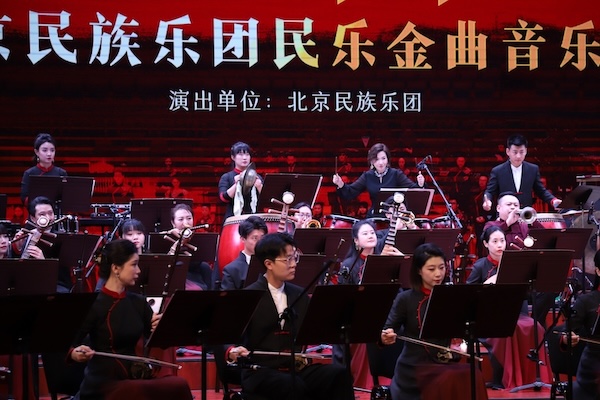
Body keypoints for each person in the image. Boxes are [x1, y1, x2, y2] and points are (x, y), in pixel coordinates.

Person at [225, 233, 354, 400]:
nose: (293, 264)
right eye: (287, 259)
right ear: (269, 264)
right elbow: (222, 335)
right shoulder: (248, 296)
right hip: (260, 371)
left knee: (338, 375)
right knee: (292, 385)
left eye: (295, 258)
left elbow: (317, 326)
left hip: (294, 369)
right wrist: (231, 351)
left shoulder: (299, 294)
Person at [69, 239, 193, 400]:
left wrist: (161, 328)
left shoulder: (138, 302)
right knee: (135, 391)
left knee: (178, 385)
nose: (139, 270)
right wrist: (74, 353)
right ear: (116, 268)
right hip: (102, 383)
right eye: (134, 264)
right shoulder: (94, 304)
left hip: (133, 375)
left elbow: (157, 341)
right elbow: (68, 343)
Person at [380, 243, 488, 400]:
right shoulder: (405, 299)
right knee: (449, 379)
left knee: (473, 374)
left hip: (445, 361)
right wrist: (385, 336)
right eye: (431, 269)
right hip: (414, 367)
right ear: (419, 270)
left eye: (441, 268)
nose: (438, 274)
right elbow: (387, 329)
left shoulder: (453, 296)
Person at [466, 226, 552, 389]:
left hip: (516, 313)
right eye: (495, 241)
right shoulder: (480, 266)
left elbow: (526, 293)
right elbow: (469, 295)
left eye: (502, 241)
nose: (499, 245)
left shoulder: (515, 264)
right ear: (486, 244)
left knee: (536, 328)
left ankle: (531, 377)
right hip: (489, 319)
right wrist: (486, 285)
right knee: (506, 331)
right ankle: (501, 378)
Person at [332, 143, 425, 217]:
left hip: (394, 216)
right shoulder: (367, 176)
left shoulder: (396, 174)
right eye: (376, 159)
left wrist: (420, 184)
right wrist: (340, 184)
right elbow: (350, 192)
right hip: (374, 216)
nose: (380, 162)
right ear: (372, 161)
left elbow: (413, 190)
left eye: (383, 158)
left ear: (388, 159)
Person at [483, 134, 561, 212]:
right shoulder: (498, 171)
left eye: (521, 152)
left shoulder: (533, 169)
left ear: (526, 151)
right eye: (515, 152)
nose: (518, 156)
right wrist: (487, 201)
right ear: (508, 151)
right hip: (505, 214)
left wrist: (553, 200)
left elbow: (541, 191)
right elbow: (490, 191)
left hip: (526, 214)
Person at [562, 249, 600, 400]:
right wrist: (567, 338)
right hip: (595, 366)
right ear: (598, 271)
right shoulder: (586, 301)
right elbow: (566, 332)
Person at [169, 203, 213, 290]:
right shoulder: (169, 236)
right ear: (173, 223)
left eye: (189, 218)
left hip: (195, 273)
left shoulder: (198, 236)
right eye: (180, 219)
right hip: (175, 272)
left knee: (205, 267)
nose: (186, 223)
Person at [218, 142, 264, 220]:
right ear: (233, 157)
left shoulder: (257, 177)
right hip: (233, 219)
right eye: (240, 154)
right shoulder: (227, 177)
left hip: (254, 219)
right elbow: (223, 198)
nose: (244, 158)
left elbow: (266, 201)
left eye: (247, 154)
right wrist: (236, 184)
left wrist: (259, 186)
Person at [220, 215, 268, 290]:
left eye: (262, 238)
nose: (260, 242)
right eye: (254, 238)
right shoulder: (231, 270)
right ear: (243, 239)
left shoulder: (271, 263)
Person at [20, 133, 68, 206]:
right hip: (36, 211)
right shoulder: (29, 173)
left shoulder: (61, 173)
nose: (49, 154)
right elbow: (24, 198)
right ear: (37, 152)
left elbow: (66, 198)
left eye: (52, 150)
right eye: (45, 150)